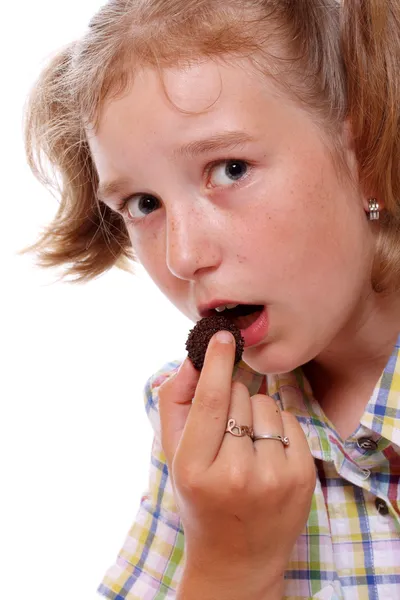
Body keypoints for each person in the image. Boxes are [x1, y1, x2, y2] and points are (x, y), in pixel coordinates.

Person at [22, 0, 400, 598]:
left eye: (228, 169)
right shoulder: (199, 429)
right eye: (144, 205)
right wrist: (229, 568)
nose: (182, 255)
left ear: (366, 156)